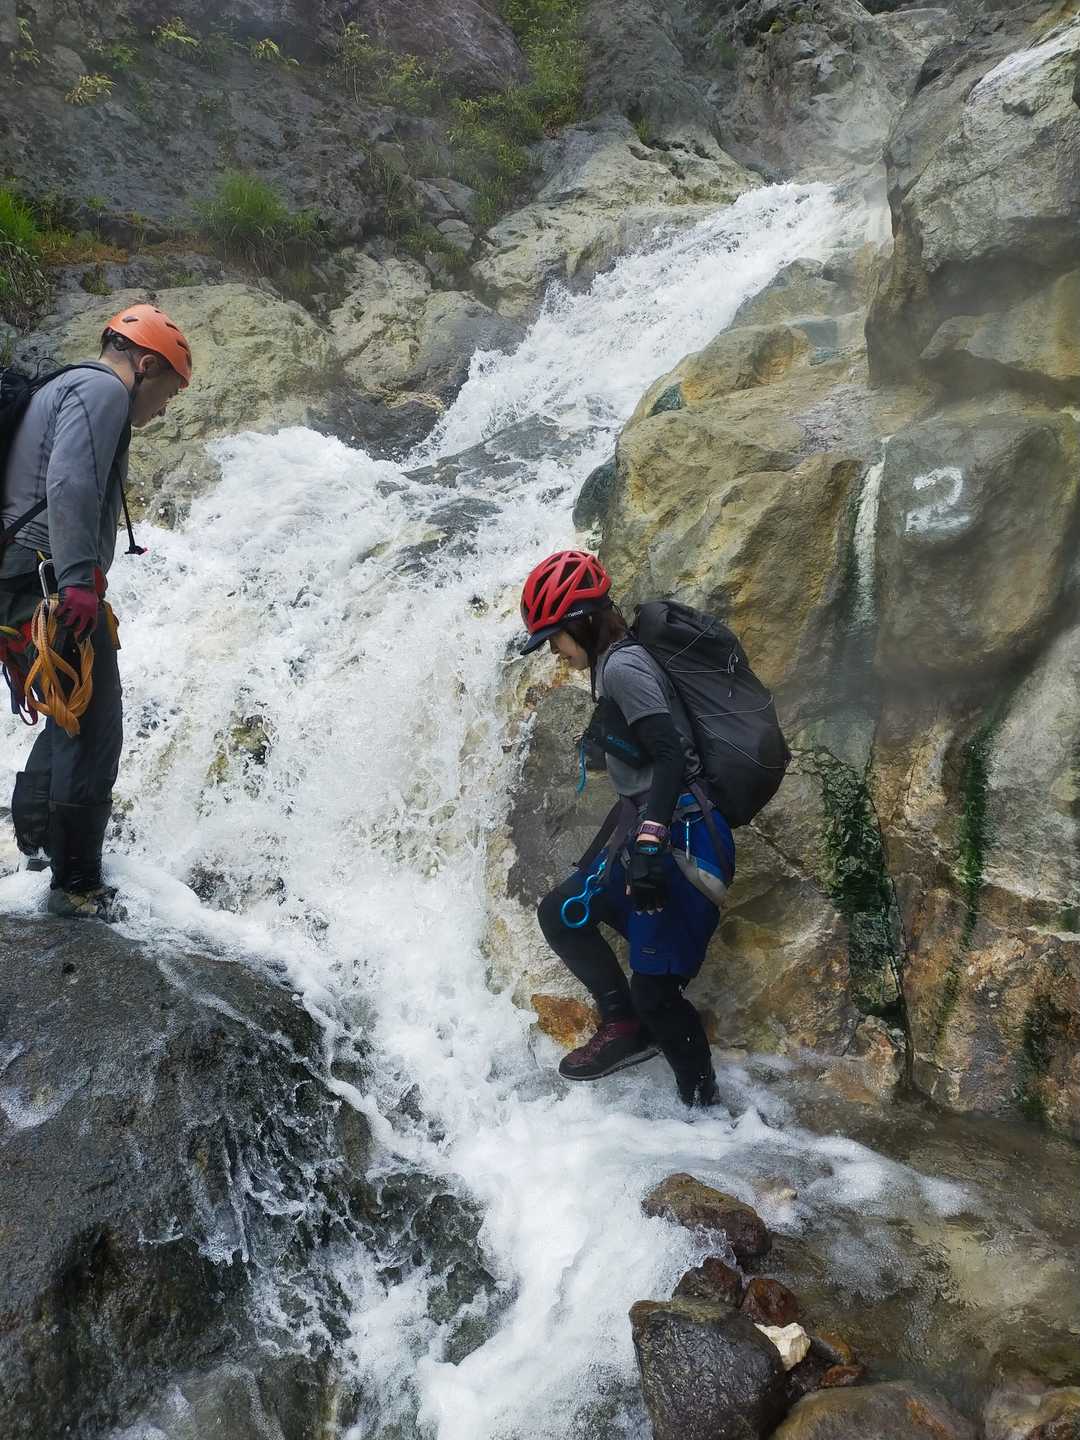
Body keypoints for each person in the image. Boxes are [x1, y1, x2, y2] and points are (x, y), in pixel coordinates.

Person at [522, 549, 735, 1108]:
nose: (554, 651)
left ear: (580, 622)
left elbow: (671, 756)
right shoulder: (611, 663)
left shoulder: (623, 667)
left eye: (554, 637)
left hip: (684, 837)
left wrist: (649, 840)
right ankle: (626, 1027)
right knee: (562, 913)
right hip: (650, 825)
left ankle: (705, 1110)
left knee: (657, 993)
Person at [0, 303, 192, 917]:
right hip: (48, 584)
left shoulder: (61, 387)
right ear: (146, 364)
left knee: (68, 714)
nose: (165, 408)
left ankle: (36, 851)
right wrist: (79, 581)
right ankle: (77, 886)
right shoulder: (103, 389)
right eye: (169, 391)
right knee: (93, 724)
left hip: (16, 580)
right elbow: (71, 481)